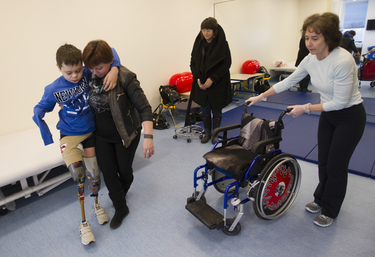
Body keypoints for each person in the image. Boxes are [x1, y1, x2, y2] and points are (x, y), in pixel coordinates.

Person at [246, 13, 366, 228]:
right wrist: (261, 95)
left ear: (328, 38)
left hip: (350, 117)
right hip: (328, 115)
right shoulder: (310, 59)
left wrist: (306, 108)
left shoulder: (343, 60)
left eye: (315, 38)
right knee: (324, 161)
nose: (309, 43)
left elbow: (340, 102)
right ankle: (320, 199)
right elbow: (289, 81)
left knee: (336, 166)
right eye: (307, 37)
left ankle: (330, 209)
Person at [33, 44, 121, 245]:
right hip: (69, 136)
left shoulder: (87, 75)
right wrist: (44, 130)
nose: (75, 75)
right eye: (69, 72)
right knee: (78, 177)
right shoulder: (53, 89)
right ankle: (83, 223)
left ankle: (96, 204)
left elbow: (112, 51)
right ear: (58, 67)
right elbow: (40, 108)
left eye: (78, 70)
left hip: (90, 133)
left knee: (95, 175)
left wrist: (115, 68)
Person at [82, 40, 154, 230]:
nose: (94, 72)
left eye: (99, 68)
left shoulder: (125, 77)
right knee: (108, 173)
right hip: (101, 135)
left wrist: (148, 137)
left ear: (110, 61)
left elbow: (145, 108)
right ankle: (121, 208)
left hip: (126, 135)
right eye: (91, 68)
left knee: (125, 172)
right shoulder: (89, 74)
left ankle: (120, 192)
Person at [190, 17, 232, 144]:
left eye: (208, 30)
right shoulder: (198, 44)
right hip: (201, 83)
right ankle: (207, 132)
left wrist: (212, 79)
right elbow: (193, 62)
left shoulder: (222, 44)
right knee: (205, 108)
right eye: (203, 30)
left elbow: (226, 64)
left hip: (217, 83)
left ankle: (216, 133)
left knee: (217, 109)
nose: (205, 33)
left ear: (214, 31)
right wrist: (197, 78)